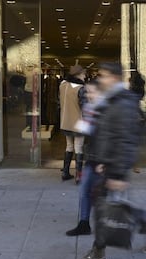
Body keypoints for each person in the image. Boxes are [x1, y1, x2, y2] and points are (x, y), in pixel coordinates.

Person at [73, 62, 146, 259]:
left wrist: (117, 173)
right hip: (106, 164)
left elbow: (126, 140)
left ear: (116, 78)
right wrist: (99, 160)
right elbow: (105, 134)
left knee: (105, 209)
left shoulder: (123, 103)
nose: (101, 80)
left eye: (105, 76)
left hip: (115, 168)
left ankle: (98, 252)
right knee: (113, 207)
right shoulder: (110, 100)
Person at [66, 78, 105, 236]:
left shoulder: (108, 109)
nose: (88, 95)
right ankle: (84, 223)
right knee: (84, 190)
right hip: (92, 157)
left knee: (111, 200)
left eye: (91, 92)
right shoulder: (90, 107)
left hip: (103, 160)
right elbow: (89, 130)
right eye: (87, 92)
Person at [59, 64, 86, 183]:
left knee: (69, 146)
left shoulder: (62, 85)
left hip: (65, 121)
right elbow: (85, 107)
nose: (85, 76)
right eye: (84, 74)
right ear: (78, 75)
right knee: (79, 148)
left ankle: (65, 172)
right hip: (78, 122)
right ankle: (79, 175)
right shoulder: (81, 88)